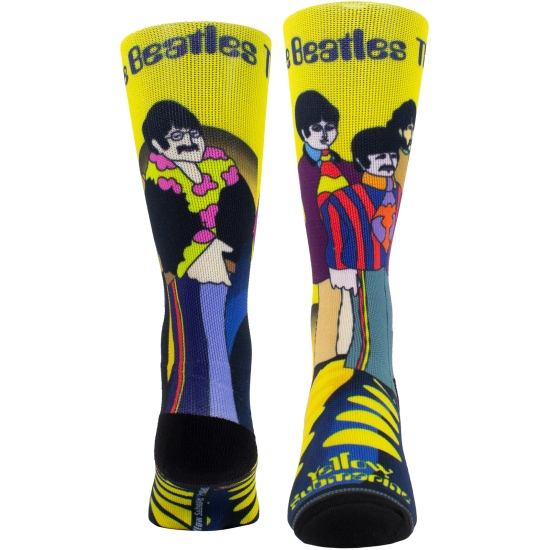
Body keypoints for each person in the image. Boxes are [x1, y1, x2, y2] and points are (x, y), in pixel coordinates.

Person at [141, 100, 255, 422]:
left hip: (224, 267)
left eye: (193, 133)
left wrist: (224, 251)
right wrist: (200, 253)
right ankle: (202, 409)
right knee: (193, 337)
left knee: (222, 330)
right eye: (177, 136)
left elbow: (241, 207)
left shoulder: (222, 167)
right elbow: (172, 228)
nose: (190, 141)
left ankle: (225, 410)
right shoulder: (161, 179)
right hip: (187, 274)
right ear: (158, 145)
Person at [318, 126, 402, 391]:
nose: (389, 162)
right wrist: (339, 265)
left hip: (378, 266)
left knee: (378, 317)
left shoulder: (395, 189)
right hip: (361, 268)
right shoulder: (346, 198)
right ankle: (367, 373)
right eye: (381, 157)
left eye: (392, 156)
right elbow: (333, 219)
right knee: (367, 320)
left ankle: (364, 370)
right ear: (363, 162)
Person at [294, 90, 359, 367]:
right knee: (329, 303)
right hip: (327, 250)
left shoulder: (337, 162)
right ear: (303, 132)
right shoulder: (308, 167)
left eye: (329, 127)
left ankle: (345, 367)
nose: (324, 134)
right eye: (317, 128)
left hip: (348, 248)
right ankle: (327, 368)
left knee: (349, 304)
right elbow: (316, 215)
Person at [387, 99, 416, 188]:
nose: (412, 133)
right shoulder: (392, 155)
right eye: (409, 128)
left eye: (413, 128)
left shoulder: (405, 154)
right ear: (400, 130)